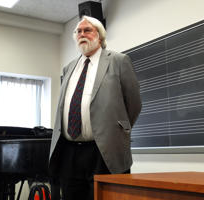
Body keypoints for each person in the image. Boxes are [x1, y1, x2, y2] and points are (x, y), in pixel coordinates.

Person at [49, 16, 142, 200]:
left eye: (87, 30)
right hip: (70, 151)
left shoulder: (118, 61)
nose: (82, 34)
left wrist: (116, 130)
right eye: (78, 31)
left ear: (99, 35)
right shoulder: (69, 68)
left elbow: (134, 103)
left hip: (103, 151)